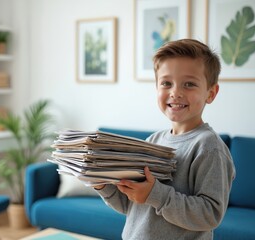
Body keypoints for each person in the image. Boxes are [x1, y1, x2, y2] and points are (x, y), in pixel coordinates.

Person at [94, 39, 236, 240]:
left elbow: (210, 214)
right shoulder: (153, 141)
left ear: (210, 93)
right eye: (166, 83)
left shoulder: (209, 147)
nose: (175, 92)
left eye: (189, 84)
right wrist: (101, 184)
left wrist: (155, 194)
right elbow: (131, 206)